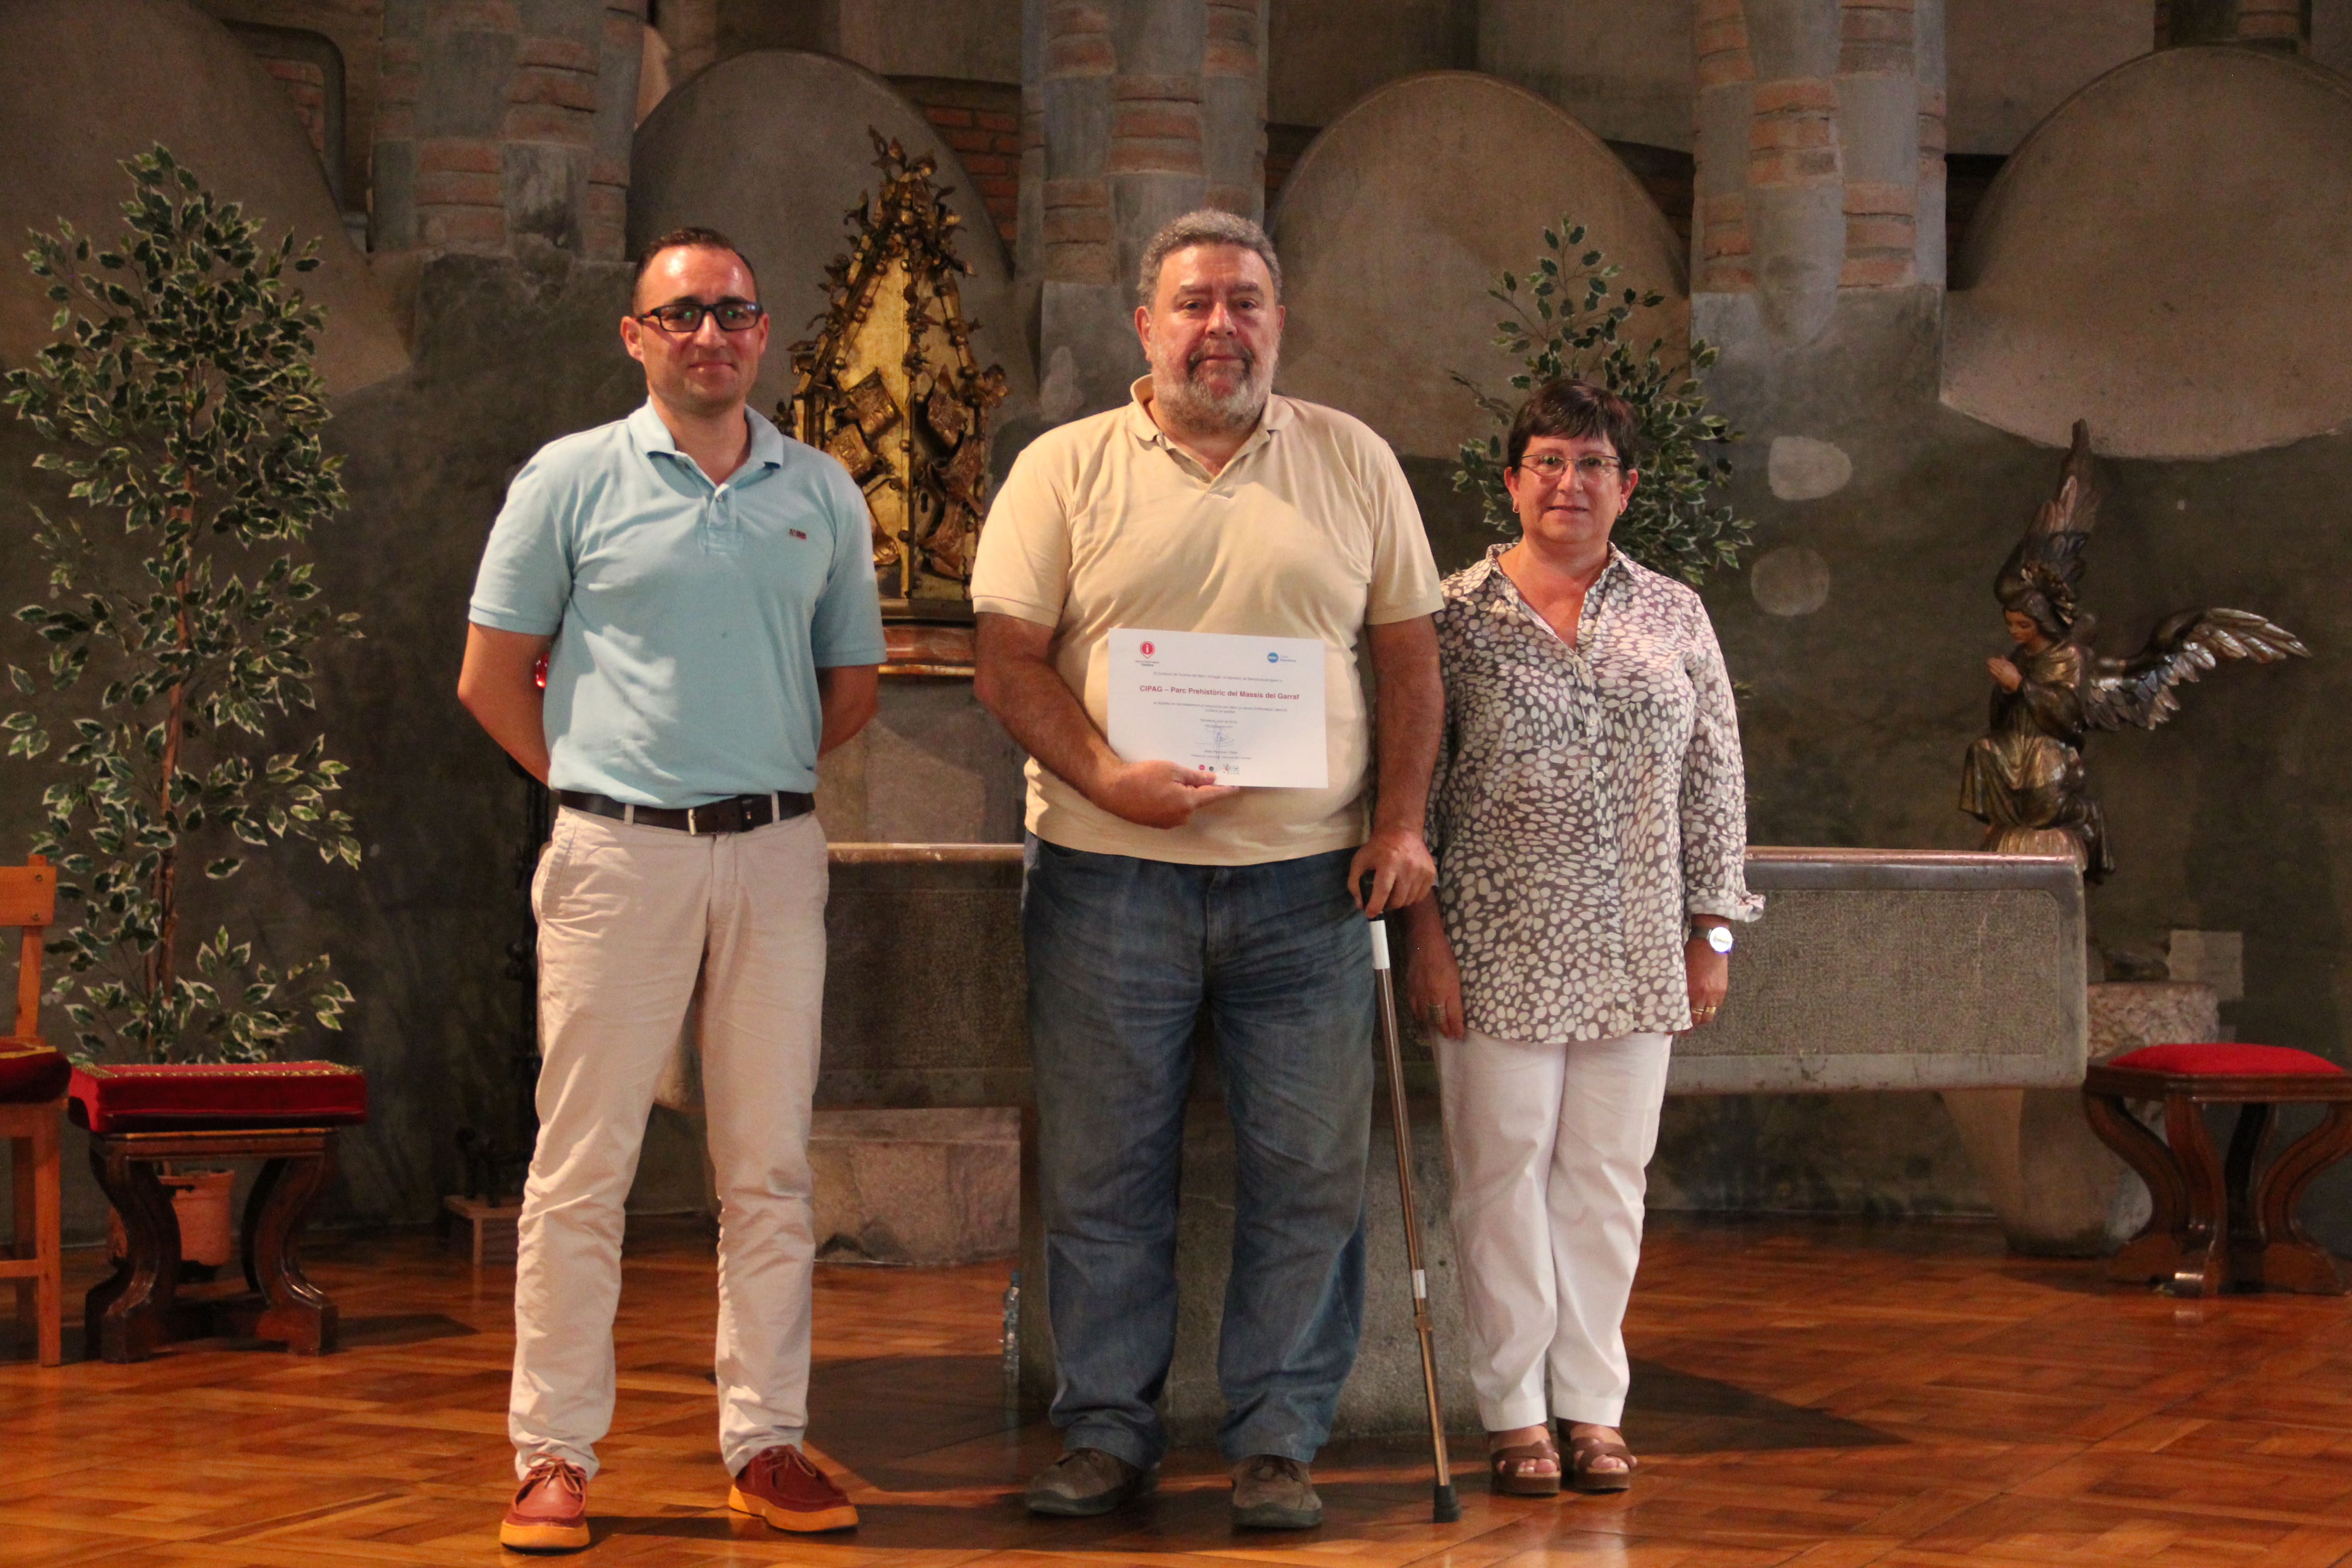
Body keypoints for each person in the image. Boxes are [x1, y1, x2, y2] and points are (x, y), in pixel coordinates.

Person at [970, 209, 1444, 1530]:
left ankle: (1278, 1441)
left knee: (1310, 1176)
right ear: (1146, 326)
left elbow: (1411, 661)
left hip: (1311, 887)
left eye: (1245, 303)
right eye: (1194, 304)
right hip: (1106, 877)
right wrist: (1105, 776)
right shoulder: (1063, 469)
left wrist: (1402, 824)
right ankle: (1106, 1433)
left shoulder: (1353, 461)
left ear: (1280, 324)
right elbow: (1006, 662)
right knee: (1104, 1174)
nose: (1220, 327)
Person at [458, 225, 885, 1553]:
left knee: (770, 1168)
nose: (711, 334)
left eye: (735, 312)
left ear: (765, 333)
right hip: (616, 855)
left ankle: (765, 1445)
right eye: (683, 312)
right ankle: (553, 1456)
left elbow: (851, 686)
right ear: (636, 336)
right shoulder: (570, 478)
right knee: (583, 1167)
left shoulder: (823, 490)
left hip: (773, 856)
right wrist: (608, 786)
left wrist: (746, 785)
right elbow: (491, 678)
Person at [1398, 378, 1759, 1497]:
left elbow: (1716, 782)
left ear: (1628, 485)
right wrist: (1424, 938)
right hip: (1493, 944)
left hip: (1638, 949)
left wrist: (1713, 935)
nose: (1570, 481)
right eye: (1549, 461)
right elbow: (1412, 791)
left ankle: (1593, 1408)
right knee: (1499, 1177)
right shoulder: (1450, 614)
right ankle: (1514, 1413)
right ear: (1512, 481)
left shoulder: (1675, 613)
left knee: (1608, 1181)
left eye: (1594, 462)